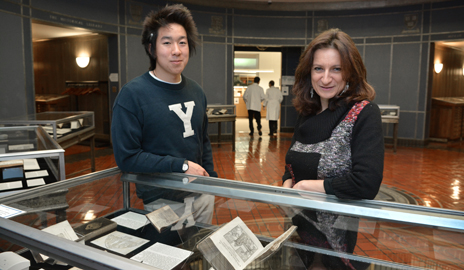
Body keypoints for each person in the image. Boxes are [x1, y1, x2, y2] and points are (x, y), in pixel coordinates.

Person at [282, 28, 384, 269]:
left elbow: (366, 182)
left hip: (336, 239)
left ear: (350, 71)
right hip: (298, 229)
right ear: (309, 72)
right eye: (319, 68)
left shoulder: (363, 113)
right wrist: (287, 182)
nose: (325, 78)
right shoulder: (306, 113)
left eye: (335, 69)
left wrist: (310, 186)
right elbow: (293, 165)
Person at [111, 4, 217, 225]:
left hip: (202, 195)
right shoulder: (132, 95)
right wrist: (180, 165)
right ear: (151, 48)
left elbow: (202, 140)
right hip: (162, 201)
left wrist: (211, 182)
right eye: (167, 42)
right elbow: (127, 157)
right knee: (168, 257)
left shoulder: (196, 91)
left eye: (182, 42)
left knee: (198, 256)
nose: (176, 50)